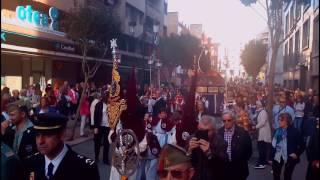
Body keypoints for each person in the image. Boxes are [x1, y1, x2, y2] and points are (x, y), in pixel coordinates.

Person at [25, 113, 100, 180]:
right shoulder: (32, 162)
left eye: (47, 135)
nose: (40, 141)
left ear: (62, 134)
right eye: (37, 135)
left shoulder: (85, 169)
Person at [187, 115, 227, 180]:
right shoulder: (191, 139)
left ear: (214, 130)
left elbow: (222, 165)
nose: (203, 133)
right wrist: (189, 151)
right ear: (198, 127)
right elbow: (186, 163)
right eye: (201, 130)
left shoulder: (220, 142)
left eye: (207, 131)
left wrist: (209, 153)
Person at [218, 110, 252, 180]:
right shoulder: (219, 132)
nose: (226, 123)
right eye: (224, 121)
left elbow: (249, 150)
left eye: (229, 120)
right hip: (223, 168)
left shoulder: (242, 132)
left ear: (233, 120)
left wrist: (242, 161)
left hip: (239, 168)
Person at [271, 113, 305, 180]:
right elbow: (272, 145)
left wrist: (296, 153)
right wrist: (270, 157)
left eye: (281, 120)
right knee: (276, 174)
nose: (279, 121)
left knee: (287, 175)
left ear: (287, 121)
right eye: (279, 120)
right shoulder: (277, 130)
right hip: (278, 155)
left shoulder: (294, 131)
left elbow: (303, 145)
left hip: (289, 156)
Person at [253, 100, 272, 169]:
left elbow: (263, 122)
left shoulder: (263, 112)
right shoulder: (259, 111)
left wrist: (255, 126)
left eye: (257, 104)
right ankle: (262, 160)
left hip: (263, 133)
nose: (256, 105)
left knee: (262, 148)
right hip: (261, 132)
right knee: (261, 147)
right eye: (256, 104)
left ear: (260, 105)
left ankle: (262, 162)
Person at [93, 94, 110, 164]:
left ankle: (105, 159)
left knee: (107, 143)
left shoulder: (112, 105)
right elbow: (95, 116)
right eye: (109, 97)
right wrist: (95, 127)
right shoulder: (99, 104)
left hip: (108, 126)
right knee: (97, 142)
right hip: (99, 126)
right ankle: (96, 157)